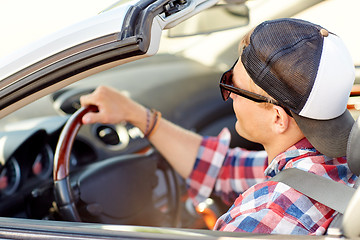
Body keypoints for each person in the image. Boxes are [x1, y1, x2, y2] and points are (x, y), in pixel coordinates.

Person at [79, 18, 357, 235]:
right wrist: (137, 115)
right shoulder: (331, 163)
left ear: (277, 118)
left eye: (233, 86)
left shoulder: (261, 218)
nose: (231, 95)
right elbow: (224, 168)